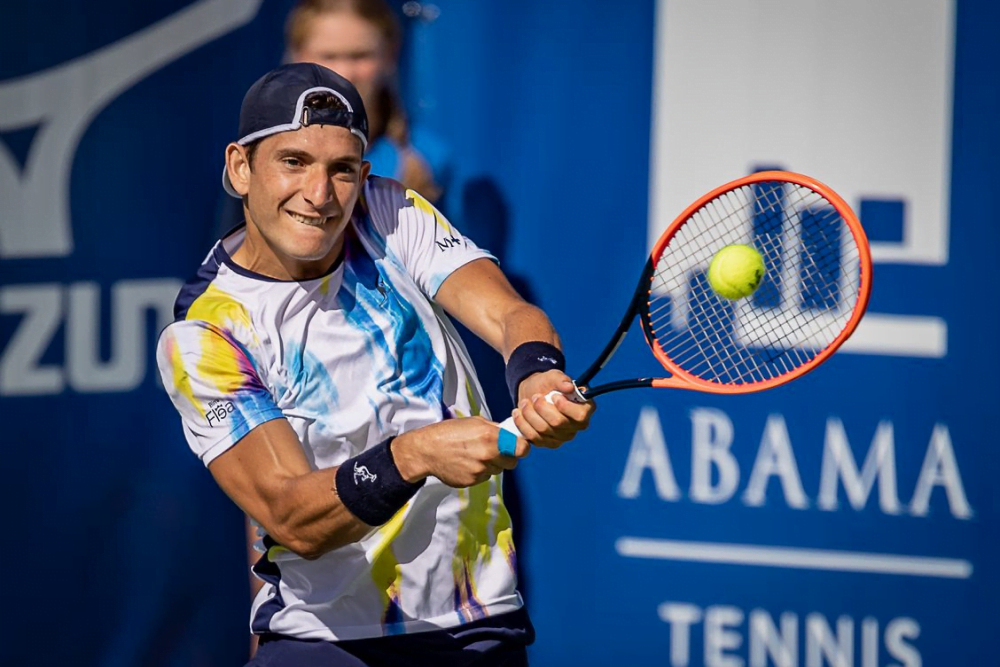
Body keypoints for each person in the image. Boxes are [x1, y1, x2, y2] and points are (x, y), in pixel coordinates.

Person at [157, 63, 593, 666]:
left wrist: (538, 372)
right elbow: (292, 515)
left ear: (365, 176)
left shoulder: (387, 213)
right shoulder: (204, 333)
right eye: (293, 161)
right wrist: (417, 454)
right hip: (324, 643)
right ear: (239, 167)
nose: (319, 194)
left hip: (476, 624)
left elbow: (511, 317)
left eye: (341, 170)